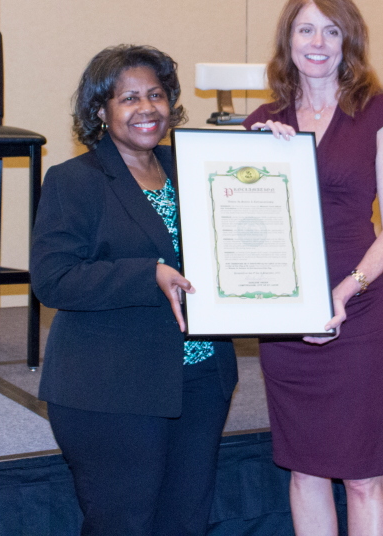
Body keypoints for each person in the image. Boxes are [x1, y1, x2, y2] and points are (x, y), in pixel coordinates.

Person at [30, 45, 239, 536]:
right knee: (124, 524)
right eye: (129, 98)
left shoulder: (197, 167)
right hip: (111, 387)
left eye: (156, 94)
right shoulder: (74, 181)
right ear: (101, 111)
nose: (147, 107)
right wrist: (149, 273)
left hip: (201, 379)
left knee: (186, 524)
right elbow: (53, 278)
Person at [244, 0, 383, 536]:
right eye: (306, 28)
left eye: (332, 30)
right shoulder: (263, 123)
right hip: (286, 317)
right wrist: (261, 159)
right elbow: (248, 225)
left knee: (363, 476)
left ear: (349, 41)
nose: (319, 42)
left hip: (355, 312)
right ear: (288, 39)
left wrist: (342, 292)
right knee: (305, 470)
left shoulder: (380, 114)